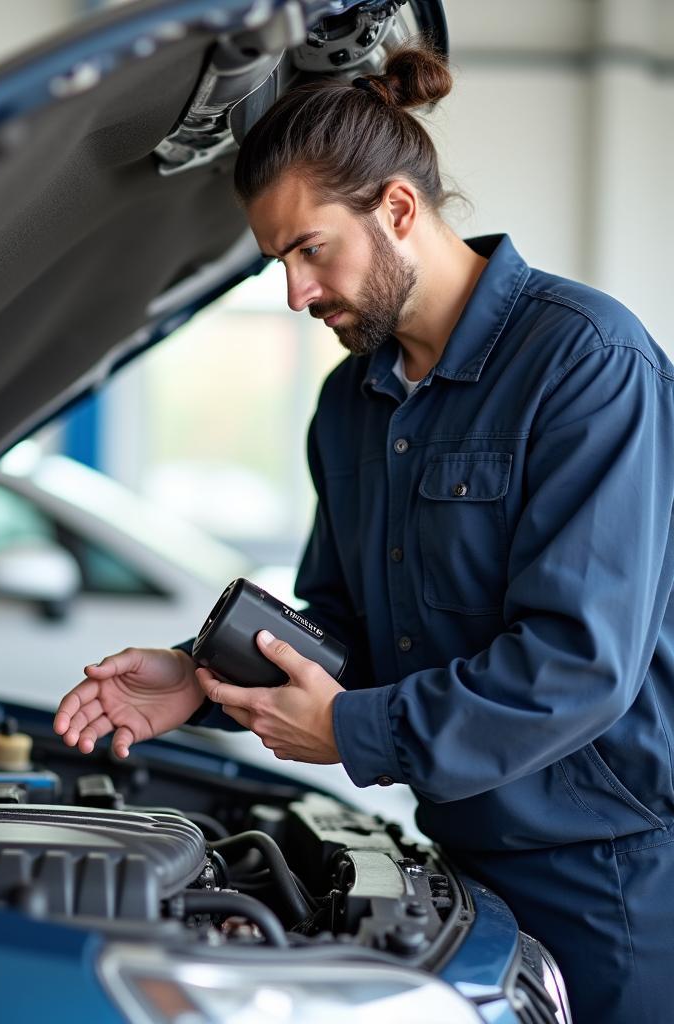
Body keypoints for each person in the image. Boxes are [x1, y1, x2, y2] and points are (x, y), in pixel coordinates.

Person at [53, 43, 674, 1023]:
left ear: (395, 210)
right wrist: (198, 680)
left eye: (310, 250)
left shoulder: (586, 363)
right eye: (278, 263)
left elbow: (577, 664)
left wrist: (353, 730)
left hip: (605, 877)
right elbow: (343, 626)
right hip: (458, 867)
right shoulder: (351, 404)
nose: (295, 294)